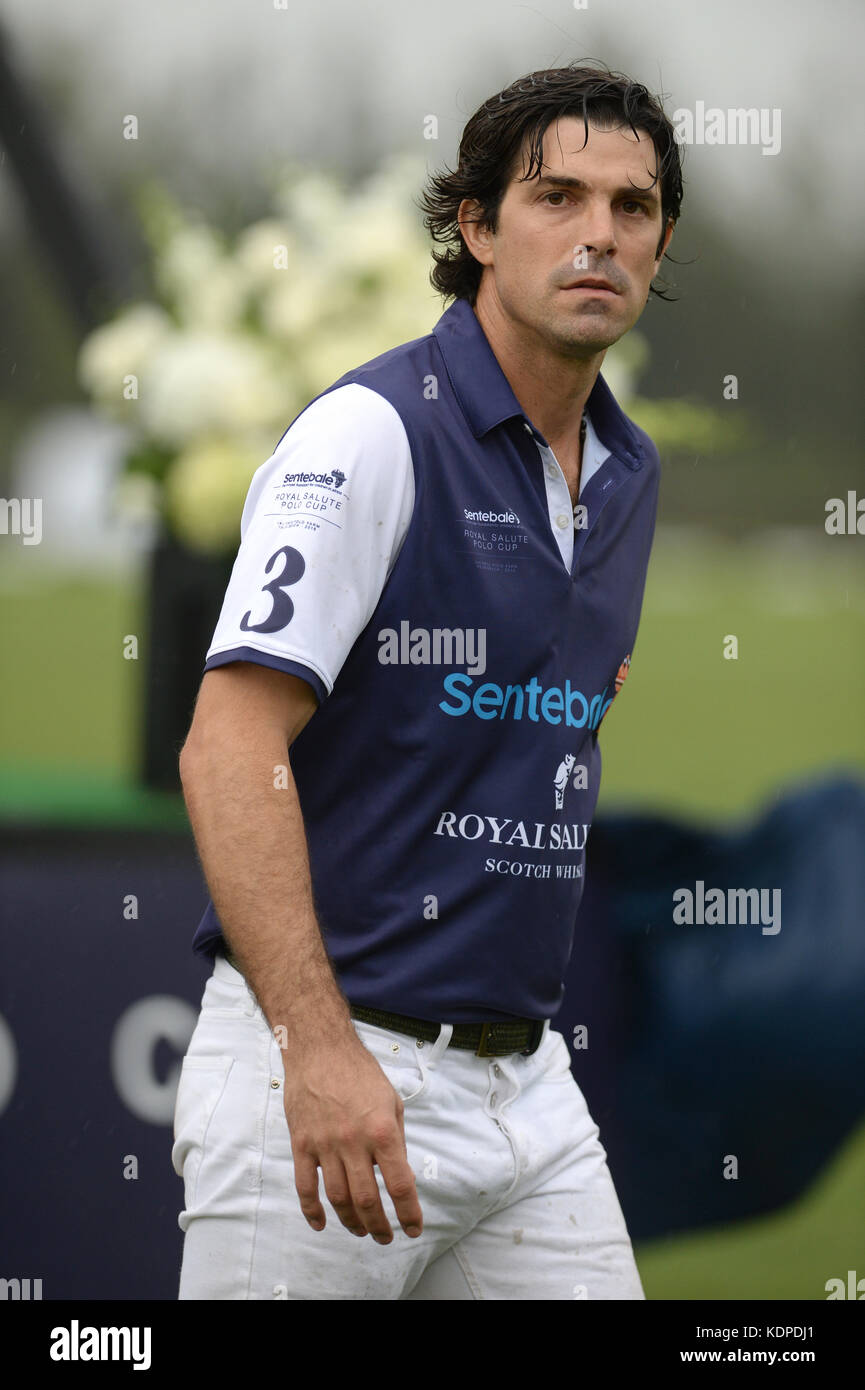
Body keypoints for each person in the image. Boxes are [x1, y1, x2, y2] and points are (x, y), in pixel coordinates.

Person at [172, 61, 682, 1300]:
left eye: (633, 206)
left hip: (530, 1097)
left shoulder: (629, 470)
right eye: (556, 197)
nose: (598, 235)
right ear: (475, 226)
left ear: (662, 242)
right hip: (328, 1068)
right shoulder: (370, 434)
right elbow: (228, 749)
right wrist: (318, 1047)